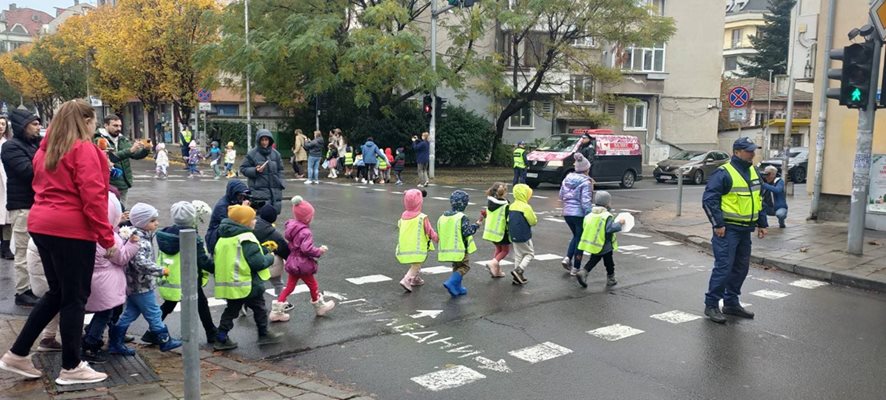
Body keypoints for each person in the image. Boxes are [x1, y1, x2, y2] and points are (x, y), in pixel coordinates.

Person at [0, 100, 115, 385]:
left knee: (57, 293)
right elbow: (93, 197)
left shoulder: (46, 149)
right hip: (71, 229)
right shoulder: (83, 149)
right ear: (85, 121)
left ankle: (18, 353)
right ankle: (71, 366)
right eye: (92, 120)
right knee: (74, 298)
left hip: (43, 223)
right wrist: (107, 237)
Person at [702, 137, 767, 324]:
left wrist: (762, 223)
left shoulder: (754, 171)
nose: (753, 154)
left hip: (745, 230)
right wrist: (718, 224)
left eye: (753, 150)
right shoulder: (723, 173)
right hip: (727, 230)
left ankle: (731, 303)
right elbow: (709, 200)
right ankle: (712, 305)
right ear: (737, 152)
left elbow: (759, 199)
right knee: (724, 268)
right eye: (749, 151)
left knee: (740, 268)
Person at [108, 203, 182, 355]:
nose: (157, 223)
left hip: (135, 283)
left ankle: (115, 342)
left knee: (130, 313)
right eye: (152, 220)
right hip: (141, 283)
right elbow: (140, 263)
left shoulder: (139, 235)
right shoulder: (139, 239)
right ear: (142, 222)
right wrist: (160, 270)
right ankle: (164, 340)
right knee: (154, 312)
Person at [81, 192, 140, 363]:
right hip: (107, 284)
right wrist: (132, 243)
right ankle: (91, 342)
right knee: (105, 313)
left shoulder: (88, 232)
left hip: (94, 280)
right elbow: (121, 257)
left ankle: (90, 334)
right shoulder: (108, 237)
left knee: (101, 312)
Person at [212, 204, 281, 350]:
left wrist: (263, 248)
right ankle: (264, 334)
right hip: (248, 283)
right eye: (252, 219)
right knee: (260, 309)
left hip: (232, 283)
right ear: (244, 222)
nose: (255, 221)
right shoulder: (246, 238)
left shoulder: (225, 237)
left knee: (231, 311)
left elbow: (242, 254)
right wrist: (270, 257)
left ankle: (221, 337)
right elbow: (257, 262)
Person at [155, 201, 218, 345]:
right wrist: (217, 269)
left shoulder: (166, 233)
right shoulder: (192, 237)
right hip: (189, 275)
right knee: (201, 303)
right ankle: (211, 332)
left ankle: (153, 331)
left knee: (171, 303)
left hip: (172, 275)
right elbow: (202, 260)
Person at [270, 196, 335, 322]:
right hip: (302, 264)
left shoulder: (292, 226)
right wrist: (319, 251)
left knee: (289, 287)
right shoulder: (305, 232)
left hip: (292, 261)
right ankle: (319, 306)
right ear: (307, 218)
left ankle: (277, 310)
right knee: (313, 284)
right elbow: (306, 249)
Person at [2, 109, 43, 307]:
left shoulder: (37, 145)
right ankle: (23, 291)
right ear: (22, 126)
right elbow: (29, 172)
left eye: (38, 124)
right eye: (33, 124)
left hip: (39, 204)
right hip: (23, 206)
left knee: (39, 250)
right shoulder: (11, 147)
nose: (38, 128)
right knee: (23, 249)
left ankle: (37, 288)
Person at [439, 190, 484, 297]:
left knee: (456, 267)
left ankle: (457, 288)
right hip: (460, 248)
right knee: (464, 267)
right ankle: (451, 282)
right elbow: (467, 232)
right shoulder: (461, 217)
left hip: (449, 247)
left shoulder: (443, 216)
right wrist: (477, 225)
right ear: (464, 204)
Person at [96, 114, 149, 204]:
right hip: (108, 184)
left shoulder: (122, 139)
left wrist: (146, 149)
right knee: (111, 212)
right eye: (115, 126)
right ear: (106, 125)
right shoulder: (99, 140)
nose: (118, 128)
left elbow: (135, 155)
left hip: (123, 184)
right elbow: (110, 158)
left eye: (120, 126)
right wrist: (130, 150)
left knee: (122, 212)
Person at [576, 191, 623, 288]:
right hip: (604, 243)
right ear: (606, 204)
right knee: (609, 263)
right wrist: (620, 223)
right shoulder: (606, 216)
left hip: (594, 243)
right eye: (610, 202)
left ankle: (584, 272)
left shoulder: (590, 214)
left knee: (594, 259)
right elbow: (610, 229)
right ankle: (611, 279)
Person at [396, 189, 438, 292]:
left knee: (415, 262)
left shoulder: (403, 217)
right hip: (417, 246)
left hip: (405, 245)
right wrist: (437, 238)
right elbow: (429, 231)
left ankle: (415, 279)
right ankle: (407, 279)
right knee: (416, 264)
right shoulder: (422, 217)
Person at [559, 153, 594, 275]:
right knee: (580, 240)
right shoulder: (586, 182)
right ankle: (576, 268)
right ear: (586, 169)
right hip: (579, 214)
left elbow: (561, 195)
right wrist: (589, 214)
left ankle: (567, 258)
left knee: (576, 236)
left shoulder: (567, 178)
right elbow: (585, 201)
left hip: (567, 213)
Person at [240, 129, 285, 212]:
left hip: (274, 191)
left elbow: (280, 170)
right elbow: (243, 168)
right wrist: (255, 170)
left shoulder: (276, 154)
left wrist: (281, 183)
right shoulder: (252, 154)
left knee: (272, 216)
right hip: (258, 192)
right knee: (261, 217)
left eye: (266, 140)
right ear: (258, 140)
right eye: (262, 140)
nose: (264, 142)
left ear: (270, 140)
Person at [253, 203, 290, 300]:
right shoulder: (273, 234)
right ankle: (281, 301)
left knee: (253, 283)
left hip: (252, 259)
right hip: (268, 261)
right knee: (277, 281)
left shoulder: (250, 224)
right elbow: (284, 250)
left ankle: (244, 304)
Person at [206, 180, 251, 254]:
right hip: (215, 238)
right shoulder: (222, 206)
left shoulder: (234, 202)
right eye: (240, 196)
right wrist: (243, 210)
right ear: (234, 194)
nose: (242, 199)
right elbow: (229, 226)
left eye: (244, 197)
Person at [508, 183, 536, 285]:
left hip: (513, 234)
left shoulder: (512, 206)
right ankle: (519, 270)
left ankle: (517, 278)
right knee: (529, 254)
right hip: (524, 235)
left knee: (518, 255)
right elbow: (533, 221)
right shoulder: (526, 207)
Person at [482, 182, 510, 278]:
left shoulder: (490, 202)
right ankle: (493, 263)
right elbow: (508, 219)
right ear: (504, 192)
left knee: (498, 249)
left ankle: (496, 271)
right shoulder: (506, 205)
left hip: (491, 231)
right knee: (505, 251)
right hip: (501, 232)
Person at [0, 116, 13, 260]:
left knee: (6, 217)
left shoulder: (7, 144)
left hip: (5, 183)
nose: (1, 126)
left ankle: (6, 247)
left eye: (3, 124)